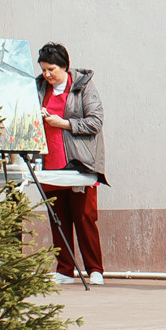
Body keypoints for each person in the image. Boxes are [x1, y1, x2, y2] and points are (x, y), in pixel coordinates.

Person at [36, 43, 108, 284]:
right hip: (49, 163)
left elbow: (95, 122)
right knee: (58, 218)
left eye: (51, 69)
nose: (47, 74)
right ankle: (65, 269)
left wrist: (64, 123)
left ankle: (95, 269)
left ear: (65, 67)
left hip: (79, 163)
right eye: (44, 69)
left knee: (85, 217)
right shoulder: (38, 87)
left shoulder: (83, 86)